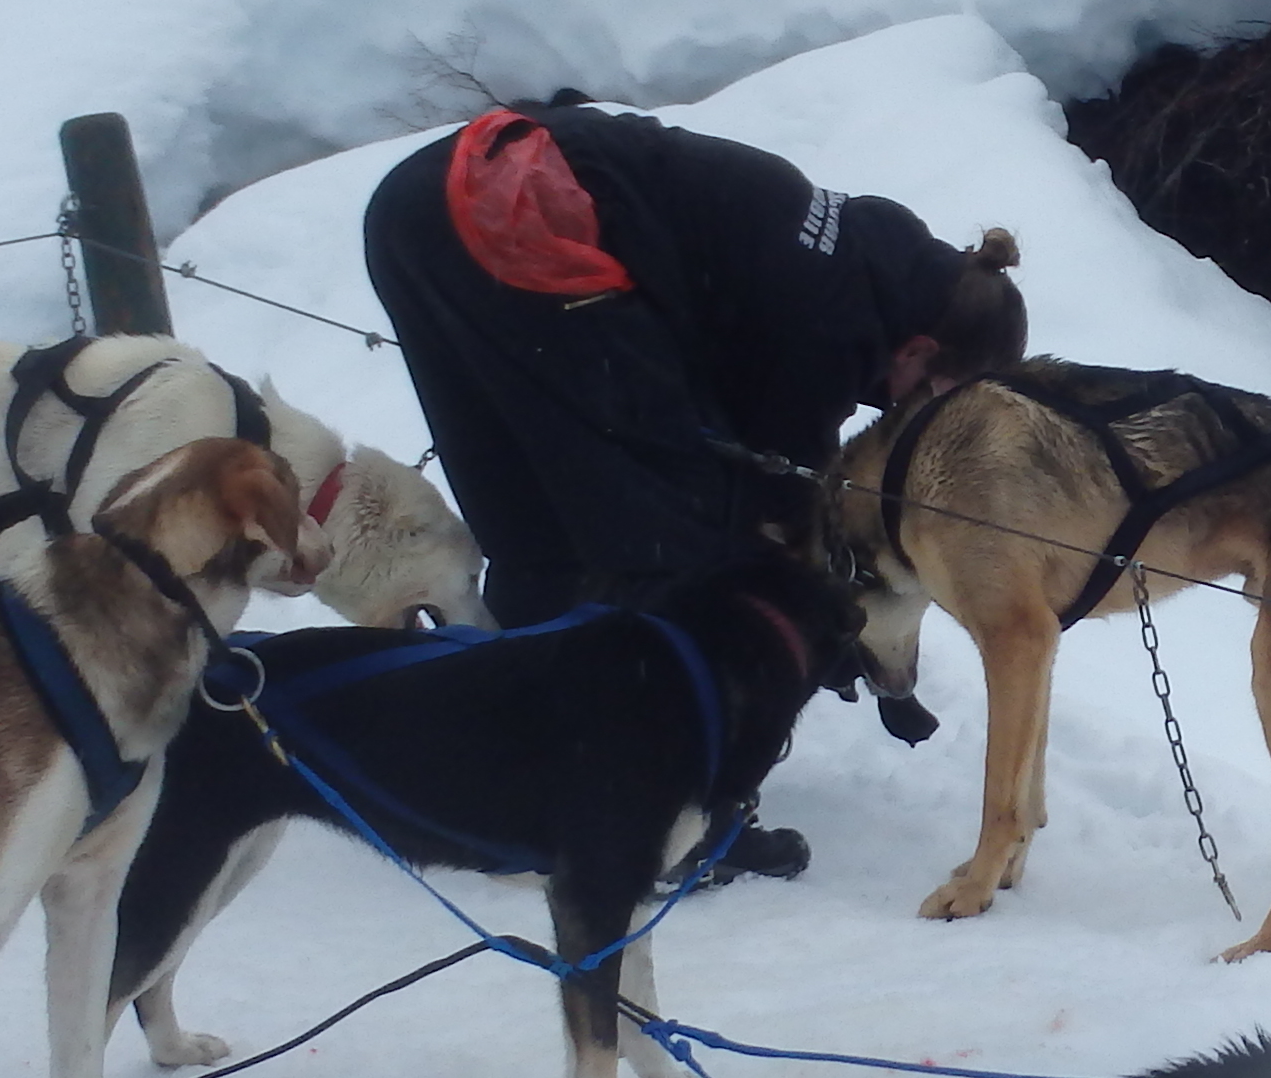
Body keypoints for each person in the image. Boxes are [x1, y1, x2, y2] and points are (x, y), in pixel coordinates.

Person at [362, 96, 1028, 874]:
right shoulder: (834, 321)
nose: (900, 408)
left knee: (531, 521)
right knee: (666, 545)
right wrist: (818, 619)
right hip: (525, 230)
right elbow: (772, 503)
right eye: (923, 394)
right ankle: (680, 820)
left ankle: (525, 785)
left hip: (421, 209)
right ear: (920, 348)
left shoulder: (859, 251)